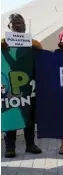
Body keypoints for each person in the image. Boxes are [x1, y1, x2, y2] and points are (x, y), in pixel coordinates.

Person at [1, 13, 42, 158]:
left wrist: (38, 50)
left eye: (21, 23)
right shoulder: (2, 44)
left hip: (29, 86)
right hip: (10, 87)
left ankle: (30, 144)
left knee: (29, 115)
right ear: (9, 27)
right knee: (10, 115)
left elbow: (41, 62)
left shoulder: (34, 44)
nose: (19, 26)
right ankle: (9, 147)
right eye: (15, 23)